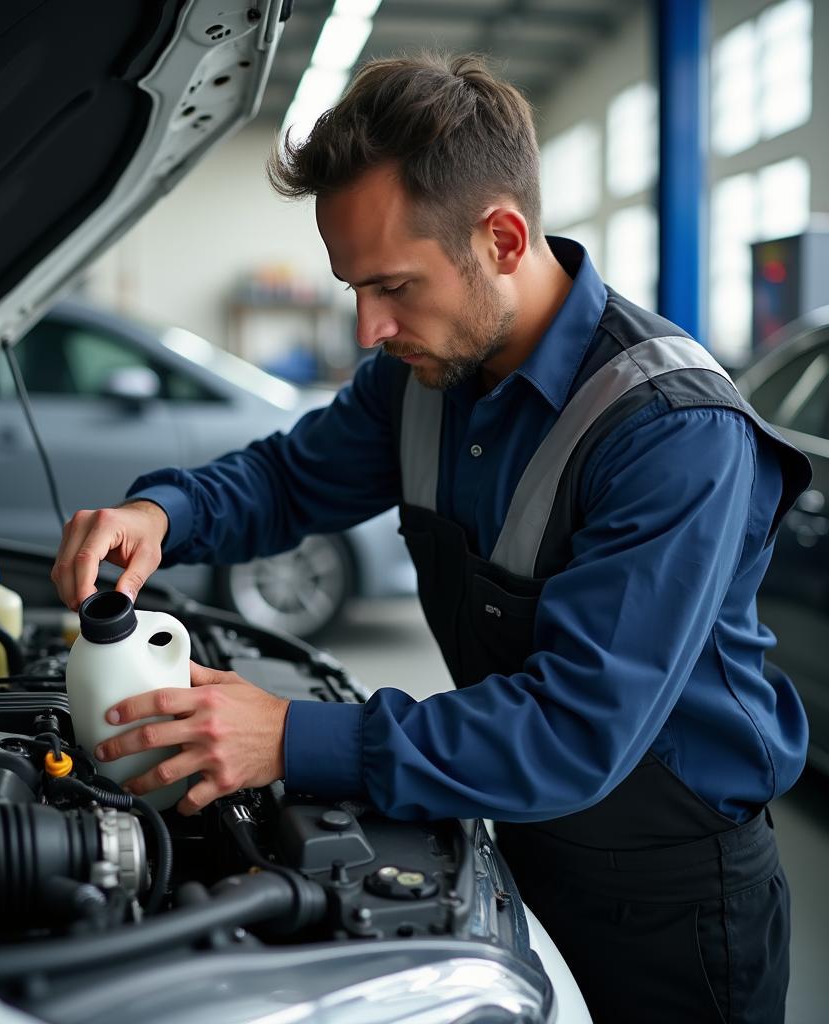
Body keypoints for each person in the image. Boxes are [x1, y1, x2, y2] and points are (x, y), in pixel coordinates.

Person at [51, 53, 810, 1024]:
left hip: (667, 900)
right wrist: (164, 512)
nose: (369, 327)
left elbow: (572, 728)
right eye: (353, 289)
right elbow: (288, 476)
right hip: (515, 831)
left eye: (394, 286)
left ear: (500, 237)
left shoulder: (671, 432)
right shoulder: (423, 374)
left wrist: (287, 733)